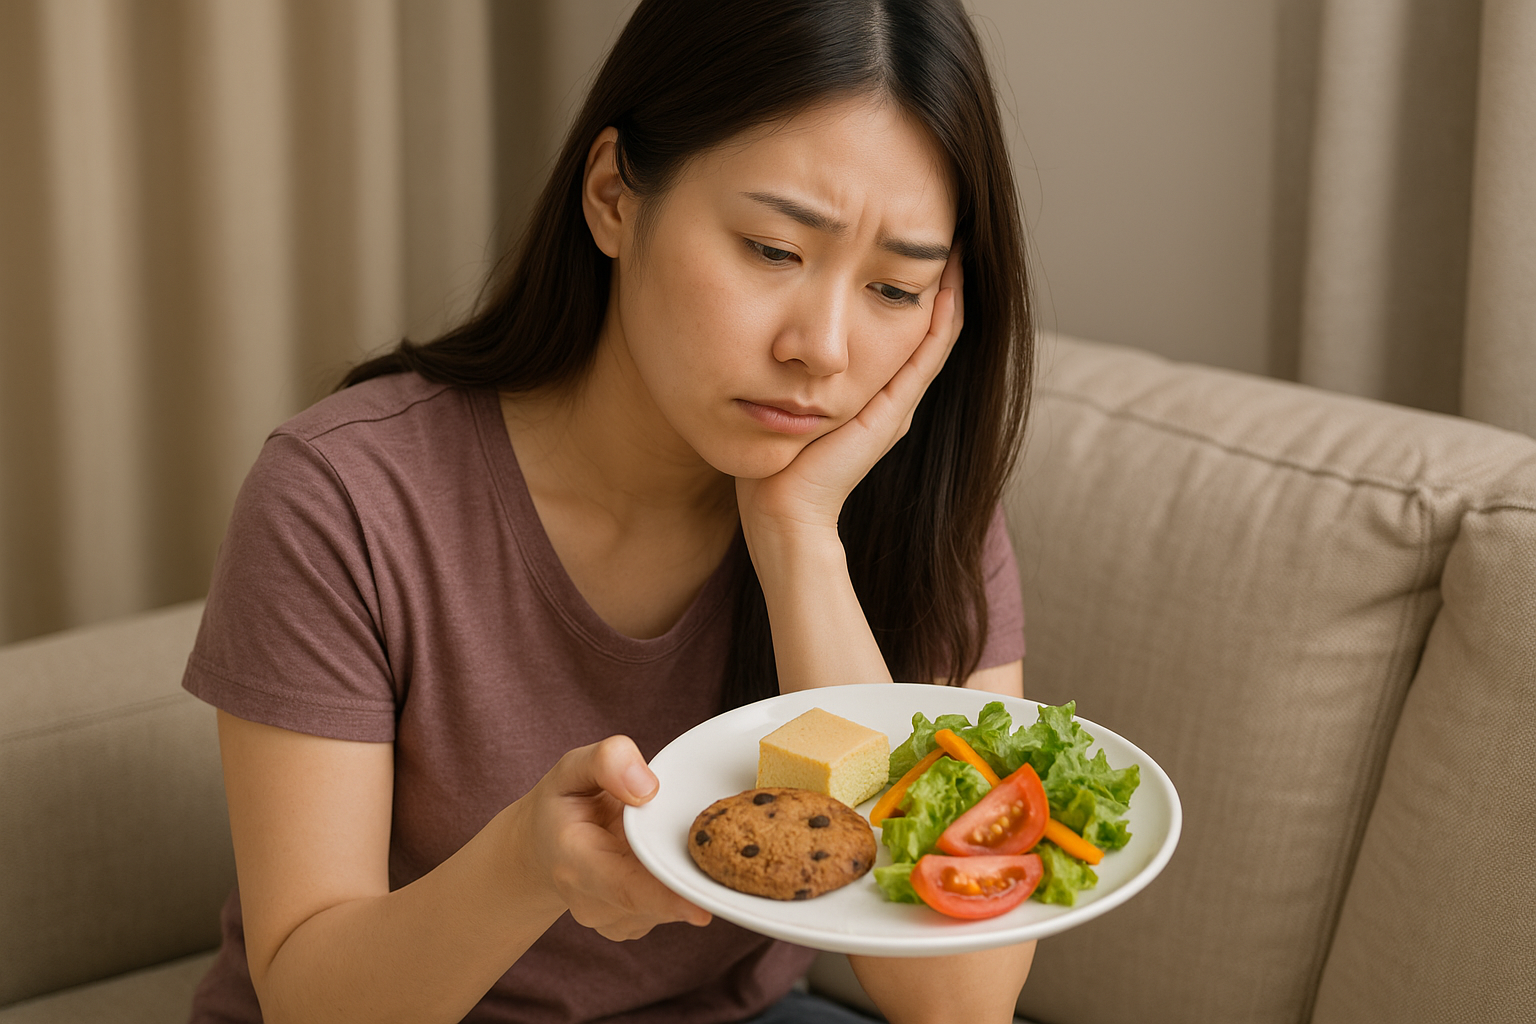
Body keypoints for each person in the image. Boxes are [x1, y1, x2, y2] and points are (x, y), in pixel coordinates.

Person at [183, 0, 1036, 1021]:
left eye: (896, 289)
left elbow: (958, 1002)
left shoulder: (913, 506)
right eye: (772, 250)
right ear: (612, 197)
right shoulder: (347, 500)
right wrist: (524, 867)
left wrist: (799, 538)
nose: (824, 348)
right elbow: (310, 999)